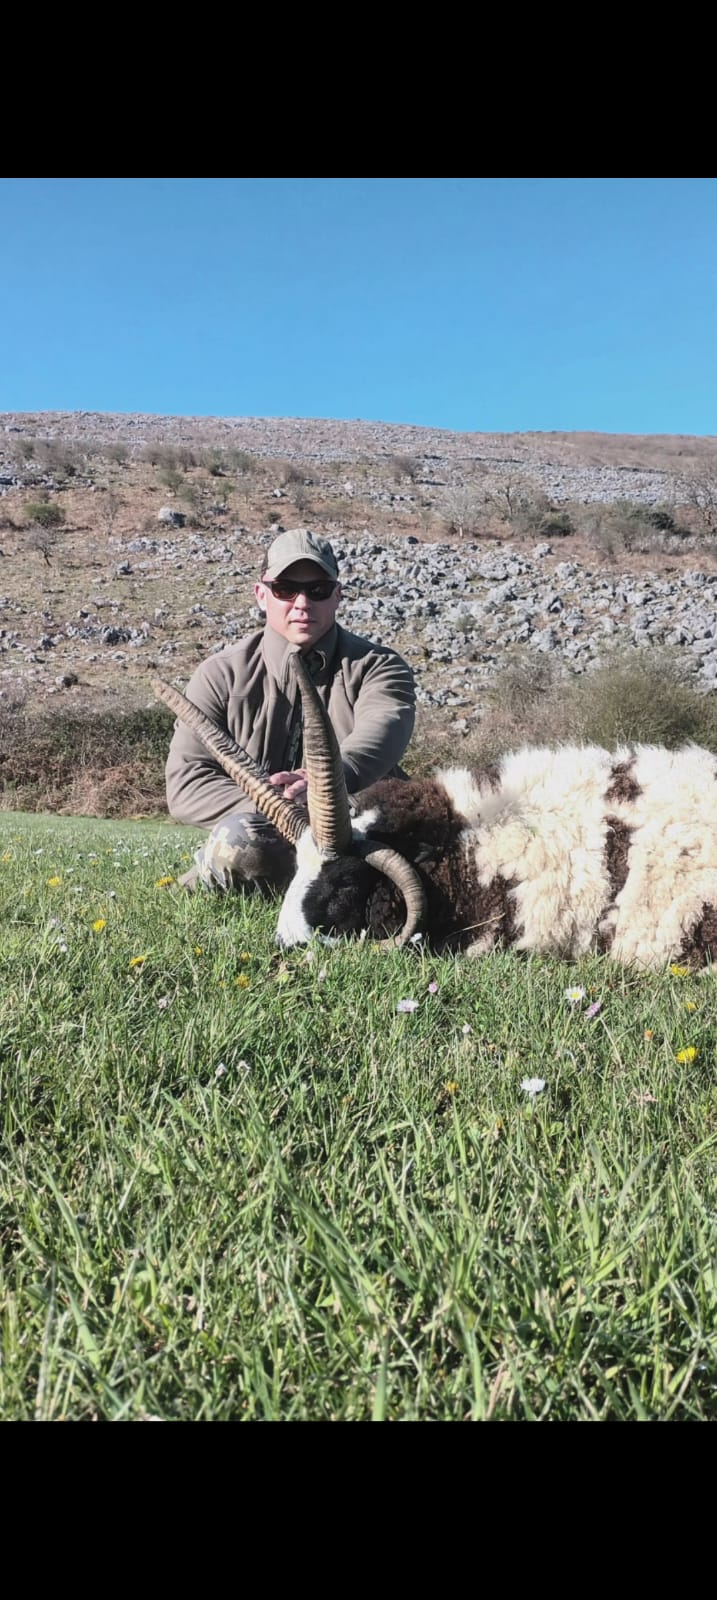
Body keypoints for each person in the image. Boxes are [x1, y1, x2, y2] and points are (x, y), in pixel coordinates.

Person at [165, 528, 416, 893]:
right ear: (261, 595)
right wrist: (281, 814)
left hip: (354, 831)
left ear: (337, 596)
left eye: (317, 590)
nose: (302, 602)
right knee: (242, 843)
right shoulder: (219, 675)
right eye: (285, 589)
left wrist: (326, 783)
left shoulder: (379, 666)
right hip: (265, 835)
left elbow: (384, 727)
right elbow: (187, 783)